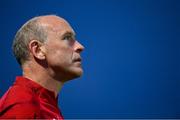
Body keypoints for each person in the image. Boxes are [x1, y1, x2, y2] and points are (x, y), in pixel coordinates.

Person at [0, 15, 84, 119]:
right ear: (38, 50)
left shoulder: (45, 105)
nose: (80, 46)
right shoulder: (22, 106)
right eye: (67, 38)